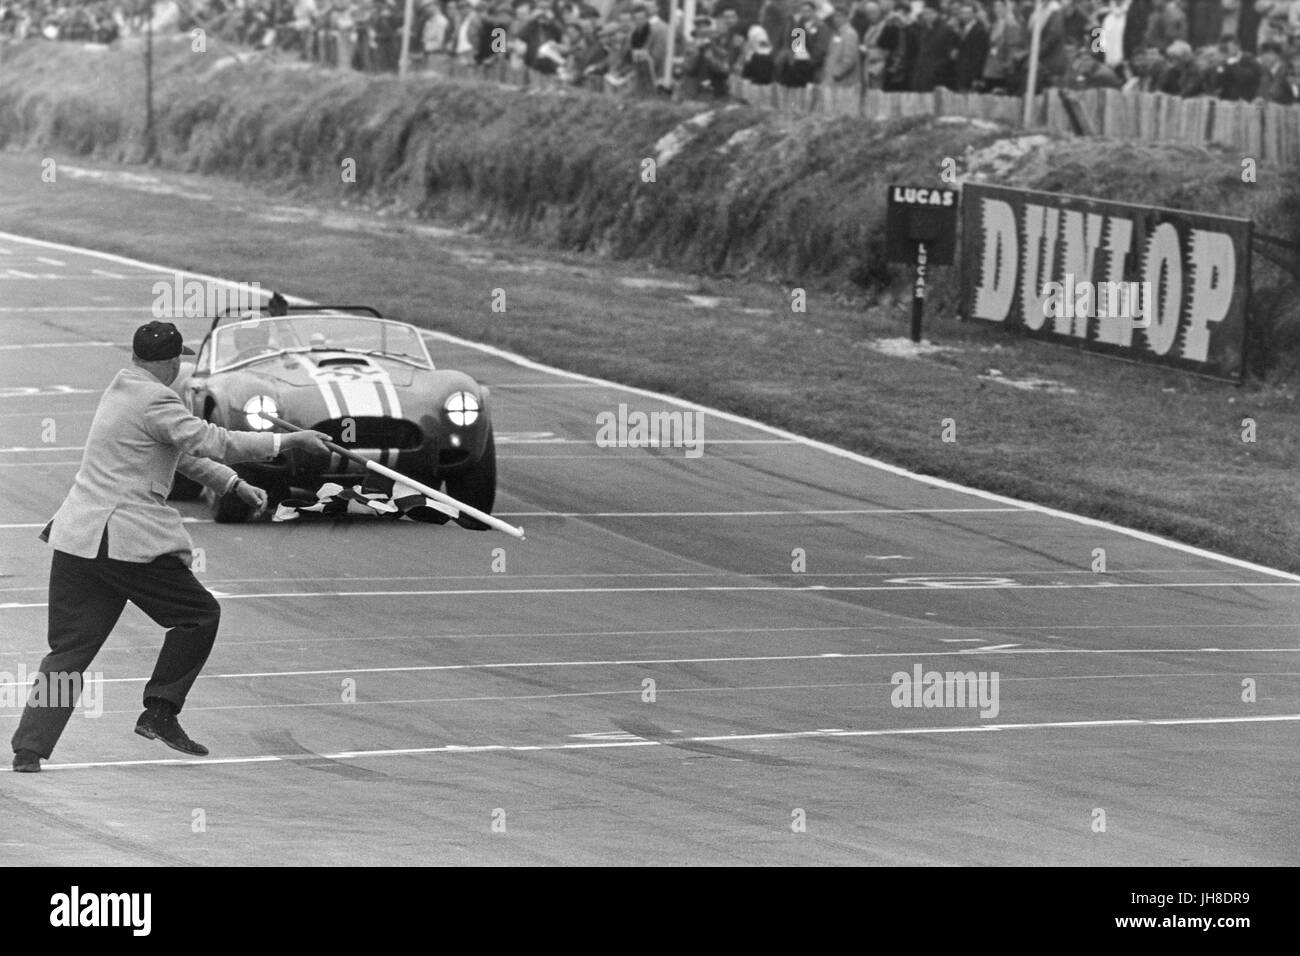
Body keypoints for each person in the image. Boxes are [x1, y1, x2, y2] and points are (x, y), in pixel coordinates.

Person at [9, 322, 332, 773]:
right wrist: (288, 440)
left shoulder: (122, 388)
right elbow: (213, 441)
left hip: (77, 540)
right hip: (124, 542)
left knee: (69, 650)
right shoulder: (158, 399)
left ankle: (29, 749)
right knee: (198, 615)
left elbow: (177, 452)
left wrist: (231, 483)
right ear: (173, 362)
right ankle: (160, 711)